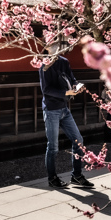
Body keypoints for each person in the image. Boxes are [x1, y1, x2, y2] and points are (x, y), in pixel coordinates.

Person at [40, 46, 93, 189]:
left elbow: (72, 78)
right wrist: (66, 93)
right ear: (47, 47)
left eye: (57, 43)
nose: (56, 46)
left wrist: (76, 86)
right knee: (53, 147)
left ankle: (76, 175)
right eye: (53, 44)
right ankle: (52, 178)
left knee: (79, 140)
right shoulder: (45, 65)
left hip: (64, 109)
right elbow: (46, 89)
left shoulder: (64, 61)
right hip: (51, 110)